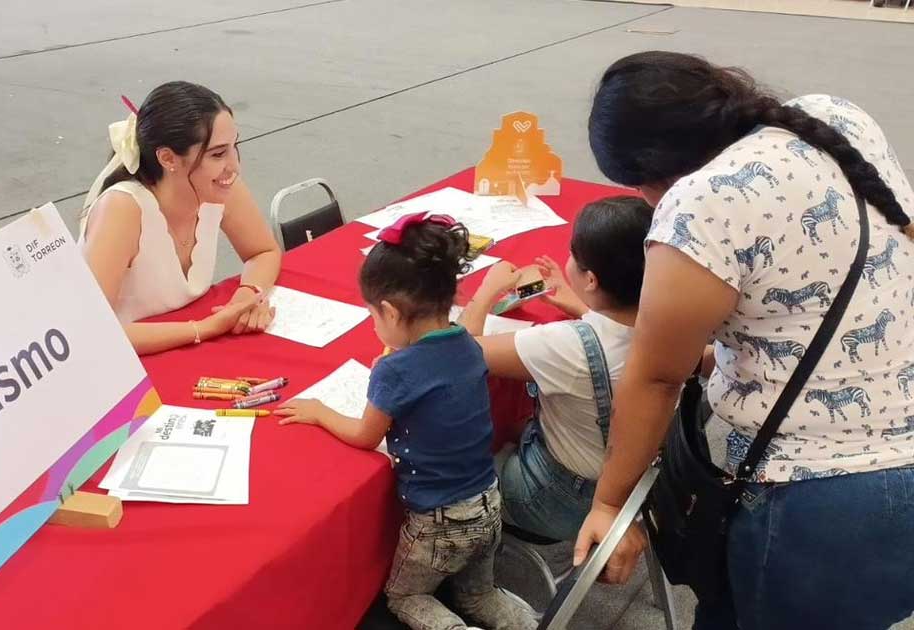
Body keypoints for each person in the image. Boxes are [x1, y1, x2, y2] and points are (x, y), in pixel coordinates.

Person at [573, 51, 914, 630]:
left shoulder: (698, 205)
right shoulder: (829, 114)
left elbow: (657, 377)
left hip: (820, 505)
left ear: (652, 171)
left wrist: (610, 503)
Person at [276, 213, 536, 630]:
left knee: (406, 596)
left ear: (391, 313)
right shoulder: (469, 345)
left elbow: (365, 436)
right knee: (480, 594)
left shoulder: (393, 372)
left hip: (438, 521)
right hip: (489, 503)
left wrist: (319, 411)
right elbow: (458, 339)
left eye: (374, 317)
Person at [457, 196, 653, 542]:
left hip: (557, 499)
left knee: (451, 469)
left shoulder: (565, 344)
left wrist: (487, 291)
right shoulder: (669, 324)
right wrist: (582, 306)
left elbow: (457, 352)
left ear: (590, 279)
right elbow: (613, 338)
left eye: (574, 257)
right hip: (637, 481)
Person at [80, 81, 282, 355]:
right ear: (168, 158)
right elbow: (91, 330)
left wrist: (246, 297)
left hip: (183, 352)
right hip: (123, 370)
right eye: (218, 154)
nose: (234, 165)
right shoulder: (123, 208)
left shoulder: (220, 186)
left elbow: (264, 251)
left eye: (235, 146)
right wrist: (205, 328)